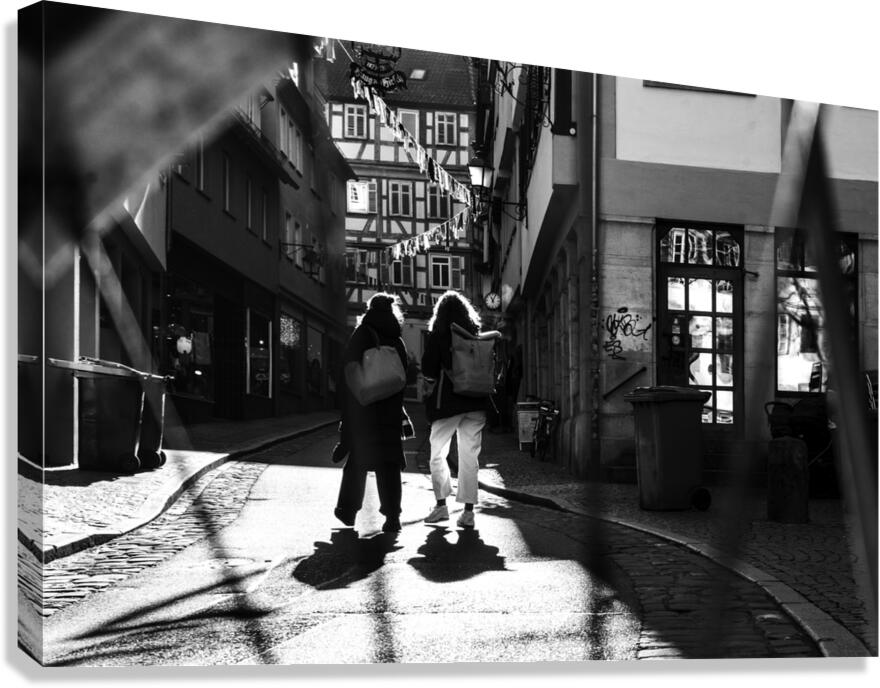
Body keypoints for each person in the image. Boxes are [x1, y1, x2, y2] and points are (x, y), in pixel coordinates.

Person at [334, 293, 408, 533]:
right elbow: (403, 375)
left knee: (358, 462)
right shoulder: (397, 339)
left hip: (365, 411)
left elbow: (348, 367)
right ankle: (392, 516)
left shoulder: (363, 333)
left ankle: (347, 511)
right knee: (389, 464)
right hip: (390, 413)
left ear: (369, 310)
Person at [420, 290, 489, 528]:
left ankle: (441, 506)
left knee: (437, 453)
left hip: (448, 403)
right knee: (470, 457)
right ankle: (468, 512)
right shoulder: (475, 333)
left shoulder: (439, 334)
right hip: (477, 401)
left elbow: (428, 369)